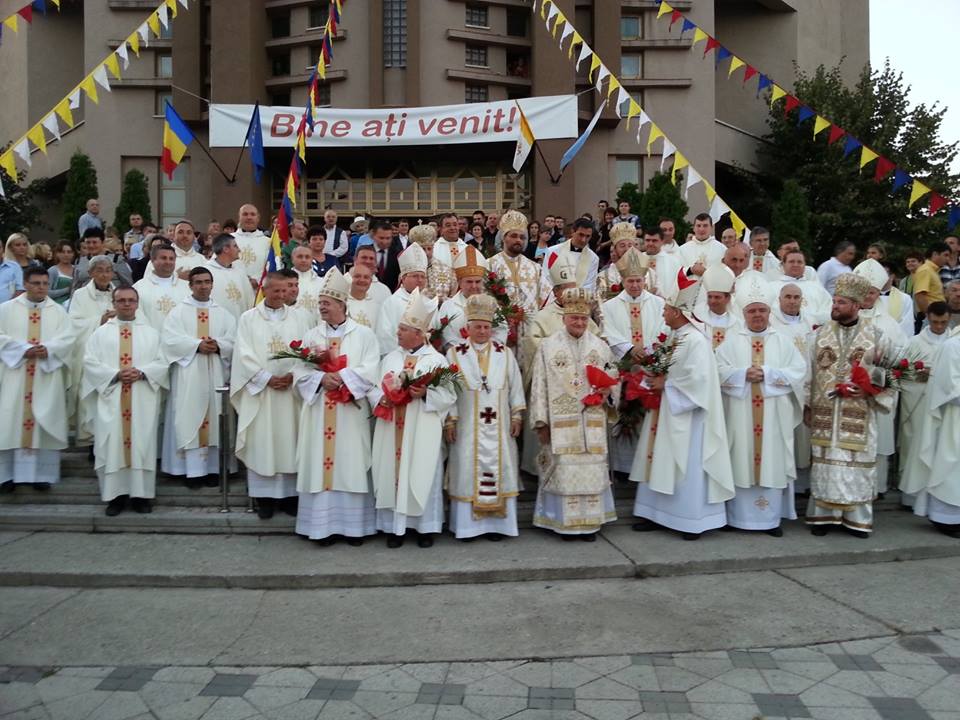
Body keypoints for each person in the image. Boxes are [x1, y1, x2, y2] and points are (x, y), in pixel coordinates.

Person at [293, 268, 380, 544]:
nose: (322, 308)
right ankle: (321, 528)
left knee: (350, 464)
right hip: (320, 410)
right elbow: (298, 370)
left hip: (349, 413)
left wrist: (341, 378)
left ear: (342, 305)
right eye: (320, 303)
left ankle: (354, 528)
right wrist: (320, 378)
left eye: (327, 303)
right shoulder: (311, 336)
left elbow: (371, 369)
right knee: (320, 464)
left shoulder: (364, 335)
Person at [804, 273, 895, 538]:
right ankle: (823, 518)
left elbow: (886, 375)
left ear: (856, 305)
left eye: (841, 302)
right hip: (825, 413)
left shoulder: (876, 337)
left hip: (859, 414)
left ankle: (856, 519)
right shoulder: (819, 336)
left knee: (856, 466)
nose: (835, 306)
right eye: (834, 301)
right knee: (825, 465)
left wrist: (869, 389)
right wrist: (807, 405)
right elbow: (808, 374)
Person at [716, 273, 806, 536]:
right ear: (744, 313)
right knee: (741, 460)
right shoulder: (731, 342)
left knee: (771, 463)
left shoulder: (783, 341)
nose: (757, 315)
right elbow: (717, 369)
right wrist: (741, 374)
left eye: (762, 310)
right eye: (752, 310)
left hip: (773, 419)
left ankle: (770, 520)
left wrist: (767, 373)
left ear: (770, 311)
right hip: (741, 418)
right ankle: (738, 519)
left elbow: (799, 372)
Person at [529, 288, 618, 539]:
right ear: (564, 318)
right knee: (564, 472)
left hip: (592, 423)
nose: (579, 323)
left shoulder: (600, 347)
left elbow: (613, 380)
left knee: (591, 472)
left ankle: (590, 524)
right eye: (574, 318)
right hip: (560, 426)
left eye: (583, 318)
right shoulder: (548, 347)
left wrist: (607, 394)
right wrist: (540, 422)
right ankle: (561, 522)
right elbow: (539, 386)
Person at [371, 288, 456, 548]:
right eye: (398, 329)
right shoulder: (392, 358)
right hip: (392, 425)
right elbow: (374, 387)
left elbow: (449, 394)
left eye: (402, 329)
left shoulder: (435, 360)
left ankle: (424, 528)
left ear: (418, 333)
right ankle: (394, 528)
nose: (397, 333)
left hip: (421, 427)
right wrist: (382, 397)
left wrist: (425, 393)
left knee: (422, 471)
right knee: (392, 472)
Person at [445, 294, 525, 540]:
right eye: (477, 326)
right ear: (467, 327)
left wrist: (517, 416)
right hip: (468, 426)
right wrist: (451, 419)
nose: (482, 331)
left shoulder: (505, 353)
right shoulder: (455, 354)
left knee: (501, 465)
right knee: (467, 468)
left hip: (499, 425)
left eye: (486, 327)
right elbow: (449, 392)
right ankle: (468, 527)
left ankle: (497, 525)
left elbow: (515, 386)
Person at [82, 286, 168, 515]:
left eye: (131, 300)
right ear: (114, 303)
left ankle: (141, 496)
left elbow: (162, 363)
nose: (127, 304)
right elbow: (89, 363)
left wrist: (141, 372)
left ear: (138, 304)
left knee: (142, 445)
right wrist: (115, 374)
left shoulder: (151, 333)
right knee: (111, 445)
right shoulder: (100, 333)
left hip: (141, 399)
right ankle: (115, 497)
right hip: (111, 398)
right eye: (121, 301)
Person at [230, 272, 309, 519]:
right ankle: (264, 498)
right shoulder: (248, 319)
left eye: (285, 290)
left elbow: (307, 352)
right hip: (262, 393)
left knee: (290, 440)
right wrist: (266, 378)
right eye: (276, 290)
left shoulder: (300, 318)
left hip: (290, 393)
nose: (282, 294)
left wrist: (292, 375)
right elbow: (243, 354)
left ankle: (289, 498)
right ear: (264, 290)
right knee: (262, 442)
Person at [0, 267, 76, 493]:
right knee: (10, 421)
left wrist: (49, 349)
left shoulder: (59, 312)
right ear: (25, 283)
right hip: (15, 375)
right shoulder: (5, 310)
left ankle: (41, 474)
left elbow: (68, 338)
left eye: (44, 283)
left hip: (45, 374)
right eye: (36, 283)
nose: (41, 287)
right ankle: (7, 476)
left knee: (43, 420)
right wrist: (23, 349)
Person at [161, 267, 237, 489]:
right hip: (189, 375)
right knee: (189, 416)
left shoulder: (223, 313)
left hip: (215, 374)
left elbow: (234, 341)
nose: (203, 286)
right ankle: (191, 472)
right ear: (190, 285)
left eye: (207, 282)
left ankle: (214, 469)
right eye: (198, 282)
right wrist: (196, 345)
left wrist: (219, 345)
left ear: (213, 284)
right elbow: (169, 341)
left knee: (216, 417)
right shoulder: (177, 312)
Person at [602, 248, 667, 474]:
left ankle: (647, 465)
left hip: (650, 367)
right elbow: (606, 332)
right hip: (623, 367)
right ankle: (623, 468)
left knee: (648, 416)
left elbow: (664, 330)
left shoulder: (659, 304)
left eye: (639, 280)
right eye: (631, 281)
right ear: (622, 280)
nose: (635, 285)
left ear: (645, 279)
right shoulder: (609, 306)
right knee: (623, 412)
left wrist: (648, 350)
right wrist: (630, 349)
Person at [853, 259, 909, 498]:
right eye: (863, 291)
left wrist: (877, 377)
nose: (867, 295)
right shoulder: (841, 317)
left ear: (878, 293)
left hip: (876, 395)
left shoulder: (890, 324)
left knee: (876, 442)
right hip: (849, 393)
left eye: (872, 291)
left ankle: (875, 489)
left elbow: (901, 358)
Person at [899, 331, 960, 537]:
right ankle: (945, 518)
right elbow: (949, 387)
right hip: (954, 418)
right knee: (950, 468)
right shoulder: (953, 346)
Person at [897, 301, 950, 507]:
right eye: (935, 322)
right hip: (918, 400)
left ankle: (937, 494)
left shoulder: (954, 341)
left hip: (943, 403)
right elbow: (900, 372)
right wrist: (918, 374)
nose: (939, 327)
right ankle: (911, 495)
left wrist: (936, 374)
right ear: (927, 317)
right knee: (915, 442)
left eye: (943, 322)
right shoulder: (914, 342)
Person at [68, 255, 117, 444]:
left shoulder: (118, 294)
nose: (104, 275)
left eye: (108, 270)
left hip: (113, 353)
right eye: (99, 270)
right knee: (89, 396)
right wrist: (100, 320)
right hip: (90, 354)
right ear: (90, 273)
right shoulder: (81, 295)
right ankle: (90, 440)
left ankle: (109, 437)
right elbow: (74, 324)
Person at [488, 210, 543, 365]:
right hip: (500, 332)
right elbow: (485, 298)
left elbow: (545, 300)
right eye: (513, 236)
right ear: (504, 237)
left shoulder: (535, 268)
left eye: (522, 237)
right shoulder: (490, 265)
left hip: (530, 333)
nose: (518, 240)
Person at [437, 246, 503, 350]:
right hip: (459, 357)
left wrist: (484, 348)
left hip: (489, 356)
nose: (474, 286)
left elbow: (501, 331)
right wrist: (469, 351)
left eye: (477, 281)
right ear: (459, 282)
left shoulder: (491, 303)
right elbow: (447, 336)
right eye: (469, 282)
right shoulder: (448, 306)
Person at [375, 242, 430, 357]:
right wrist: (404, 354)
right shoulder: (391, 302)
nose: (420, 280)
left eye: (423, 276)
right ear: (403, 278)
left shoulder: (429, 302)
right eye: (415, 276)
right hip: (399, 358)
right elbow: (384, 336)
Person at [132, 243, 190, 331]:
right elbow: (137, 318)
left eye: (171, 259)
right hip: (152, 341)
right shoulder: (138, 288)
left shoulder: (187, 288)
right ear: (152, 260)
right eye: (163, 258)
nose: (168, 262)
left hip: (180, 340)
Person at [539, 218, 600, 297]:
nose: (583, 240)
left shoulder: (593, 258)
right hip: (554, 300)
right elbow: (546, 277)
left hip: (578, 302)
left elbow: (589, 285)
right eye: (581, 235)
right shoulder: (553, 252)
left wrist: (574, 298)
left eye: (588, 236)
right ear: (573, 232)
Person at [204, 233, 255, 320]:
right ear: (226, 249)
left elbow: (250, 300)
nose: (239, 250)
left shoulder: (240, 272)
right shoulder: (206, 273)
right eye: (235, 246)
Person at [777, 249, 832, 326]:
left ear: (805, 265)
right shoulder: (772, 287)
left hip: (814, 330)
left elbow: (828, 310)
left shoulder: (817, 288)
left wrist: (810, 322)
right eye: (791, 261)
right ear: (783, 264)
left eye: (799, 262)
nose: (795, 265)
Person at [409, 223, 457, 304]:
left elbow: (453, 296)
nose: (426, 253)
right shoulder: (407, 270)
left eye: (429, 248)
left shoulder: (447, 270)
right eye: (422, 249)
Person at [699, 264, 741, 350]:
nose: (712, 301)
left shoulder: (738, 324)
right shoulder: (697, 319)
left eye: (717, 297)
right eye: (710, 297)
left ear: (728, 298)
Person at [596, 222, 641, 300]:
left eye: (630, 245)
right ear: (615, 249)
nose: (627, 249)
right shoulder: (604, 277)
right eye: (622, 246)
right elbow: (599, 304)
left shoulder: (649, 274)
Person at [232, 204, 270, 287]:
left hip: (258, 290)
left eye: (252, 214)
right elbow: (219, 263)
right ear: (239, 217)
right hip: (233, 285)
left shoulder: (268, 242)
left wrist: (258, 280)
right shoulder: (229, 239)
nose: (249, 217)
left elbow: (272, 266)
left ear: (258, 218)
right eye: (245, 214)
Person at [642, 227, 681, 299]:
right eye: (647, 240)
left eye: (654, 241)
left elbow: (677, 287)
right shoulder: (637, 259)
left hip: (664, 305)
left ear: (662, 241)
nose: (650, 243)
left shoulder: (673, 262)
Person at [913, 242, 949, 315]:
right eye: (945, 255)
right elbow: (920, 296)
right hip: (932, 315)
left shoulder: (932, 270)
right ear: (935, 254)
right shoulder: (925, 270)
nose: (947, 259)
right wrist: (929, 316)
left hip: (936, 314)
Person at [368, 218, 404, 291]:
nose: (384, 241)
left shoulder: (397, 254)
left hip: (391, 293)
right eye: (381, 238)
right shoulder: (366, 252)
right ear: (373, 236)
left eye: (388, 238)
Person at [289, 245, 323, 317]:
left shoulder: (322, 282)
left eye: (307, 257)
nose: (303, 260)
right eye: (300, 256)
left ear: (312, 259)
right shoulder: (284, 282)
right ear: (292, 259)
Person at [46, 241, 75, 306]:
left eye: (69, 252)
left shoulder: (77, 270)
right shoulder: (52, 271)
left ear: (73, 254)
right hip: (56, 307)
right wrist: (67, 290)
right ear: (57, 254)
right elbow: (46, 293)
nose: (66, 255)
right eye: (62, 252)